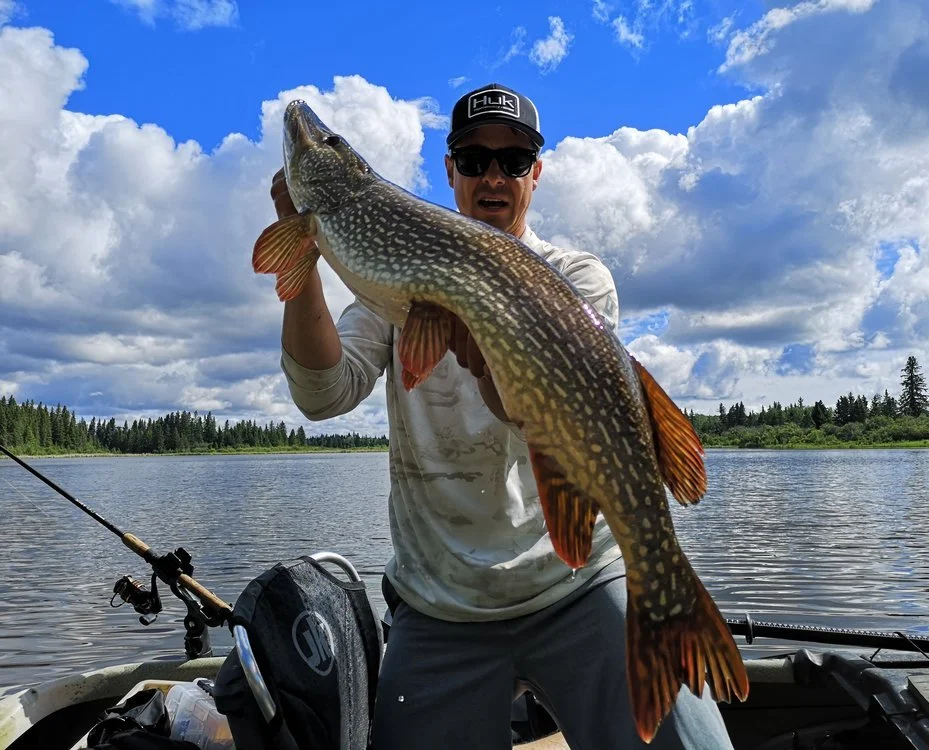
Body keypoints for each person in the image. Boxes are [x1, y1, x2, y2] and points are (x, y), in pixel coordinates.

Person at [270, 82, 735, 749]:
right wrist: (304, 261)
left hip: (578, 580)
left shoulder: (576, 279)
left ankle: (666, 610)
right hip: (441, 601)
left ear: (535, 174)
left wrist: (488, 360)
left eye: (512, 161)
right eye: (474, 158)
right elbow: (323, 396)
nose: (493, 175)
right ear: (450, 169)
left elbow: (542, 419)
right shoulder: (389, 283)